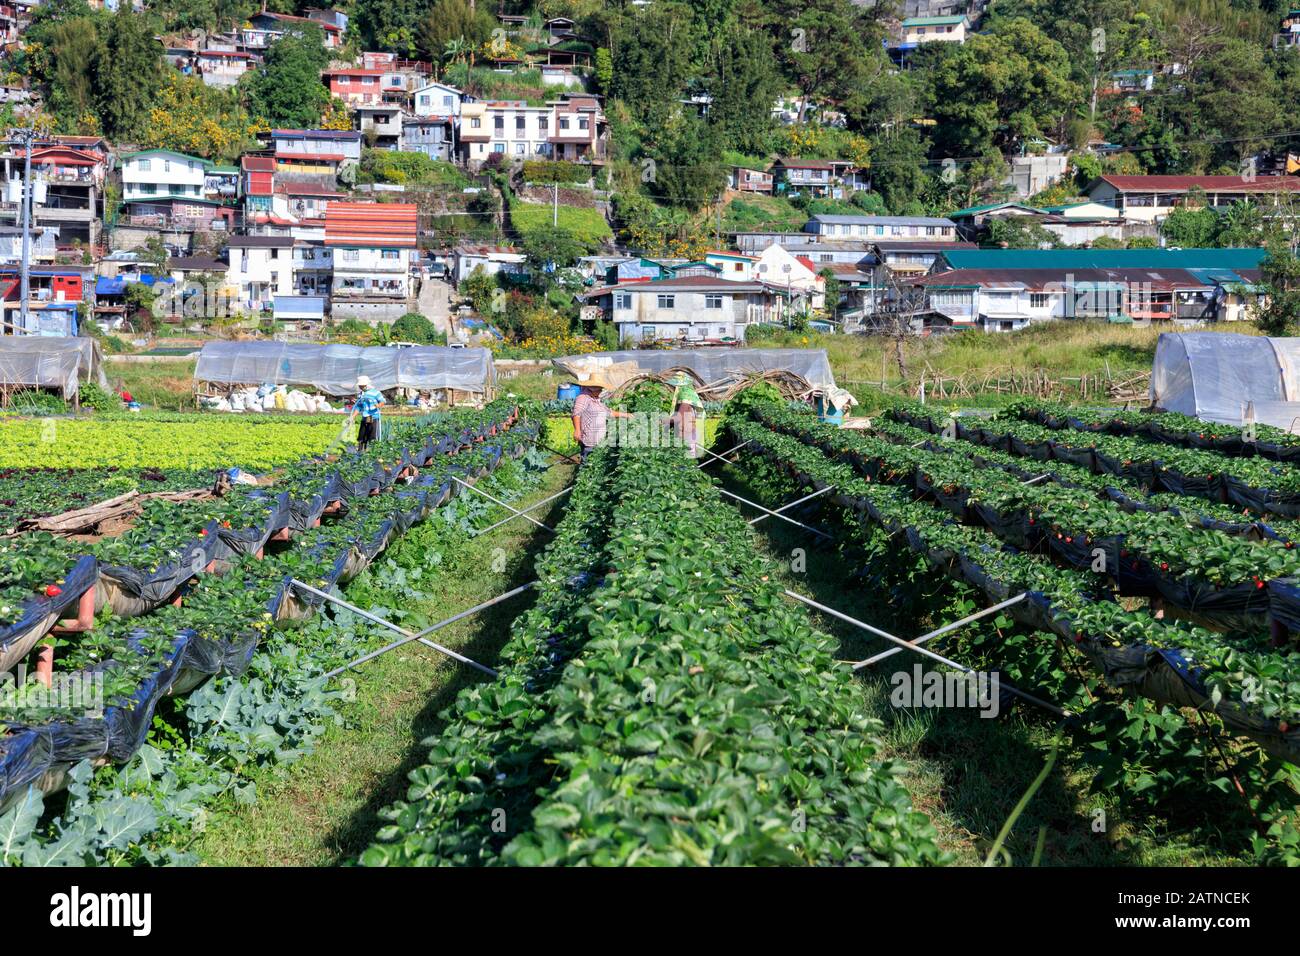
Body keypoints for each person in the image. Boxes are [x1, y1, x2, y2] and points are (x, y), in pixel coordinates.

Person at [571, 373, 631, 461]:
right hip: (590, 440)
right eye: (600, 389)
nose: (601, 391)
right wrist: (577, 430)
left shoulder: (596, 400)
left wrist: (626, 415)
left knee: (594, 462)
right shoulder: (583, 398)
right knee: (588, 463)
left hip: (598, 441)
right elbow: (576, 414)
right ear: (593, 388)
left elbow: (609, 413)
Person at [665, 373, 704, 457]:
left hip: (687, 435)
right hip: (690, 434)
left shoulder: (685, 400)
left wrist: (662, 421)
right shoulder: (689, 399)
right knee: (689, 457)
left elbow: (678, 418)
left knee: (686, 458)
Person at [349, 375, 385, 452]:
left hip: (373, 416)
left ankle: (371, 451)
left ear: (367, 384)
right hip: (365, 416)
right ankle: (360, 450)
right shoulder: (361, 394)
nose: (360, 387)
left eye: (362, 385)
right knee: (362, 433)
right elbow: (359, 406)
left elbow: (383, 401)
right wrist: (353, 416)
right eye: (360, 386)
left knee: (371, 434)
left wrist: (378, 405)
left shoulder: (375, 392)